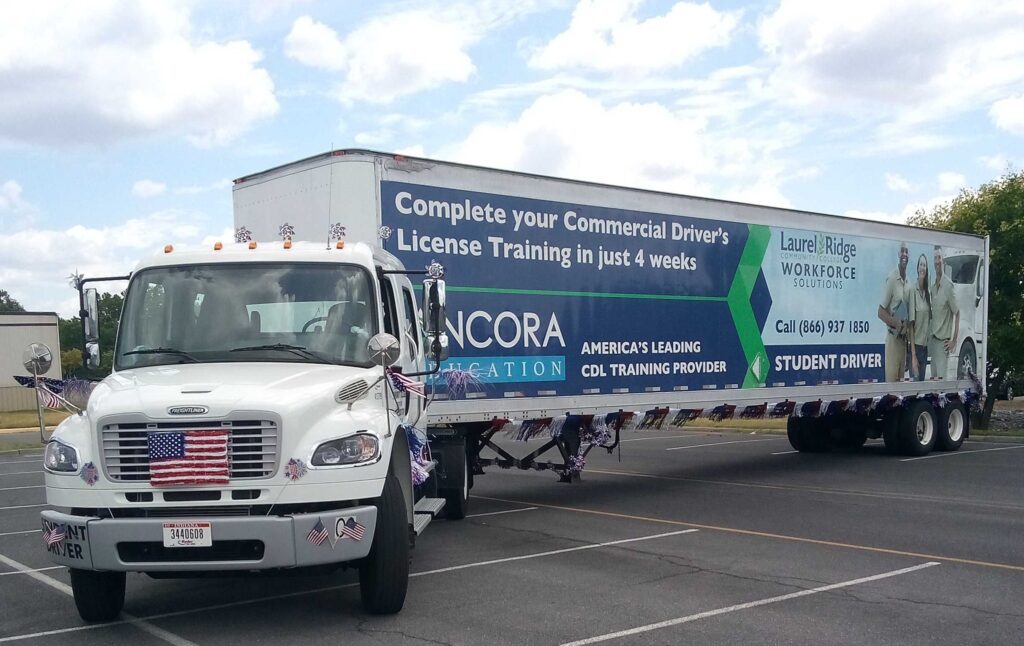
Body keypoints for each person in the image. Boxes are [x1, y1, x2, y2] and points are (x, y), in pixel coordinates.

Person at [877, 242, 911, 382]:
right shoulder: (892, 279)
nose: (904, 254)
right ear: (898, 254)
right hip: (892, 339)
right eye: (902, 251)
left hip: (903, 342)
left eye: (906, 251)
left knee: (901, 391)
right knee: (891, 388)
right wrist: (895, 323)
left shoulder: (909, 282)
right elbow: (880, 312)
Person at [929, 246, 960, 380]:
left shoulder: (948, 285)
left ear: (943, 261)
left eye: (939, 258)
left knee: (941, 385)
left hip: (943, 343)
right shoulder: (932, 287)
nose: (937, 261)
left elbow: (957, 312)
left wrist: (954, 340)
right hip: (933, 342)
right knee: (933, 384)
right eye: (935, 258)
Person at [909, 254, 930, 381]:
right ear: (917, 268)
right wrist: (913, 356)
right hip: (915, 348)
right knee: (914, 389)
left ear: (927, 269)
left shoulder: (927, 293)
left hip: (925, 348)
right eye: (921, 264)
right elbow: (911, 325)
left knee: (922, 390)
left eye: (924, 265)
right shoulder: (913, 290)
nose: (922, 268)